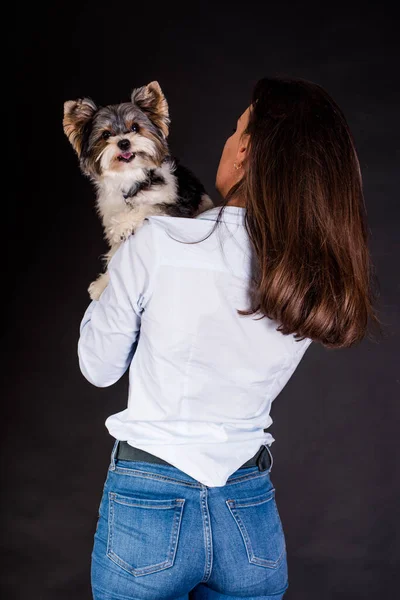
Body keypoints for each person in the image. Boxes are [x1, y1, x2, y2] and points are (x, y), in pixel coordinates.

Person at [78, 77, 380, 600]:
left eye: (235, 128)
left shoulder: (153, 243)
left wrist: (112, 278)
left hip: (148, 506)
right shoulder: (310, 278)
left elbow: (98, 367)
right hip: (249, 511)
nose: (228, 138)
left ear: (244, 154)